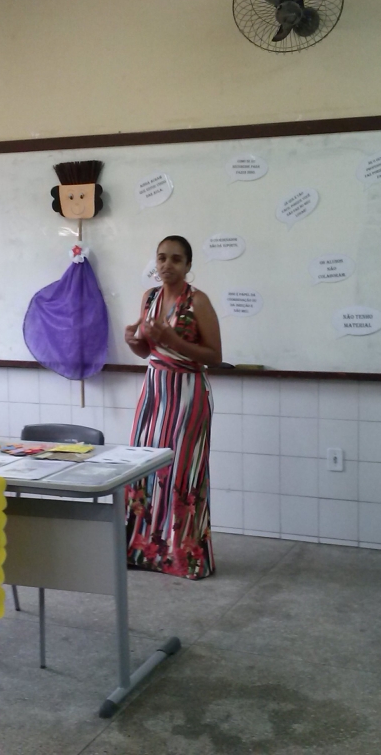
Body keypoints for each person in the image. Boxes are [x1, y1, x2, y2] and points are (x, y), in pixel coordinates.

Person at [123, 235, 222, 579]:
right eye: (162, 258)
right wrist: (132, 342)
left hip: (188, 394)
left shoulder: (198, 301)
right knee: (144, 467)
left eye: (176, 259)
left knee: (182, 471)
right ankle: (143, 551)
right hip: (153, 392)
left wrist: (174, 340)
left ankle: (183, 557)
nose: (167, 265)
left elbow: (214, 356)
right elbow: (147, 351)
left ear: (188, 265)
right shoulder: (149, 298)